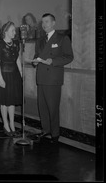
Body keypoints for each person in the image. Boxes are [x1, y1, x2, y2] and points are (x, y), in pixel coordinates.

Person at [32, 13, 74, 144]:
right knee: (42, 107)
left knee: (53, 107)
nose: (44, 25)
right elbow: (37, 55)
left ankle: (55, 134)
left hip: (53, 78)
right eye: (43, 22)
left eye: (47, 22)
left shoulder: (62, 38)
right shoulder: (39, 40)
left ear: (54, 23)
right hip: (41, 77)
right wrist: (35, 62)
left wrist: (53, 61)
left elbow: (69, 57)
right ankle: (46, 130)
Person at [0, 21, 23, 137]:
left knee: (12, 102)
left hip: (14, 75)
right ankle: (5, 124)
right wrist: (0, 79)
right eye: (12, 30)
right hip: (4, 75)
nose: (15, 32)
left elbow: (17, 59)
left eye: (14, 30)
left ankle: (12, 124)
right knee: (4, 102)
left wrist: (20, 73)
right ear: (5, 32)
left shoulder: (16, 43)